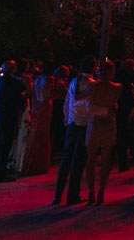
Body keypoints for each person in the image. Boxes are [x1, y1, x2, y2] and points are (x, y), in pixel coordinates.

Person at [53, 55, 95, 205]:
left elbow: (67, 103)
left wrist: (67, 119)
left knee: (66, 159)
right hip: (84, 124)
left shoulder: (73, 82)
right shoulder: (92, 85)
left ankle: (57, 196)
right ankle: (72, 196)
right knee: (78, 161)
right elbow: (90, 107)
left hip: (72, 122)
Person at [0, 60, 27, 183]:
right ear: (13, 69)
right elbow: (17, 100)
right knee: (4, 146)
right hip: (7, 116)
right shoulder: (14, 83)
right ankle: (0, 173)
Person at [85, 60, 121, 204]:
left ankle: (97, 191)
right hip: (101, 122)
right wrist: (107, 110)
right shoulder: (97, 87)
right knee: (93, 161)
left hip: (104, 123)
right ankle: (95, 191)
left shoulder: (115, 88)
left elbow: (91, 105)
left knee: (99, 161)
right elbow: (92, 106)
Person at [22, 62, 53, 175]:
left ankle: (30, 163)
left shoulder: (36, 79)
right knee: (43, 135)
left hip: (36, 105)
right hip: (45, 106)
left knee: (35, 133)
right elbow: (50, 94)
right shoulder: (50, 79)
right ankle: (40, 164)